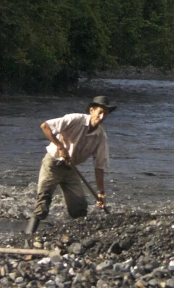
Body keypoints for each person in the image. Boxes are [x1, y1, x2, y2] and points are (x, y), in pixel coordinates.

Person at [25, 95, 116, 236]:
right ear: (92, 110)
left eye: (106, 113)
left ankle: (79, 236)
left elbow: (99, 165)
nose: (102, 116)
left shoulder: (101, 137)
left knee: (79, 207)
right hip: (53, 163)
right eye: (100, 112)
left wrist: (100, 193)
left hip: (71, 168)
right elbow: (45, 126)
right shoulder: (75, 119)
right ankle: (29, 234)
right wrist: (60, 146)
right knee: (44, 200)